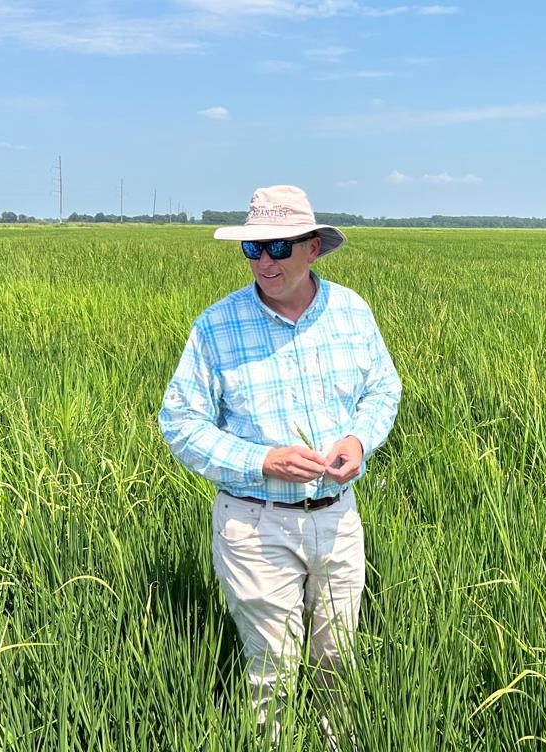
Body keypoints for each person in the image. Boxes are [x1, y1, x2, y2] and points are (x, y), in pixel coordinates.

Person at [158, 185, 401, 737]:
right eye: (253, 248)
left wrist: (359, 441)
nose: (264, 261)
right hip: (255, 521)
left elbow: (383, 389)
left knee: (338, 662)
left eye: (279, 247)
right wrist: (261, 459)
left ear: (312, 248)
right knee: (272, 671)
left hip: (338, 517)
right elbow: (179, 422)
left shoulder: (351, 312)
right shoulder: (216, 326)